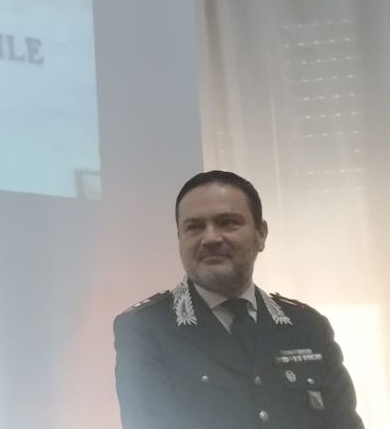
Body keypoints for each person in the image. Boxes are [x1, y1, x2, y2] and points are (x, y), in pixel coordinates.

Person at [113, 170, 364, 429]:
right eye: (194, 227)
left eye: (228, 223)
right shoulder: (147, 329)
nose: (210, 238)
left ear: (260, 234)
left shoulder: (307, 326)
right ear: (180, 239)